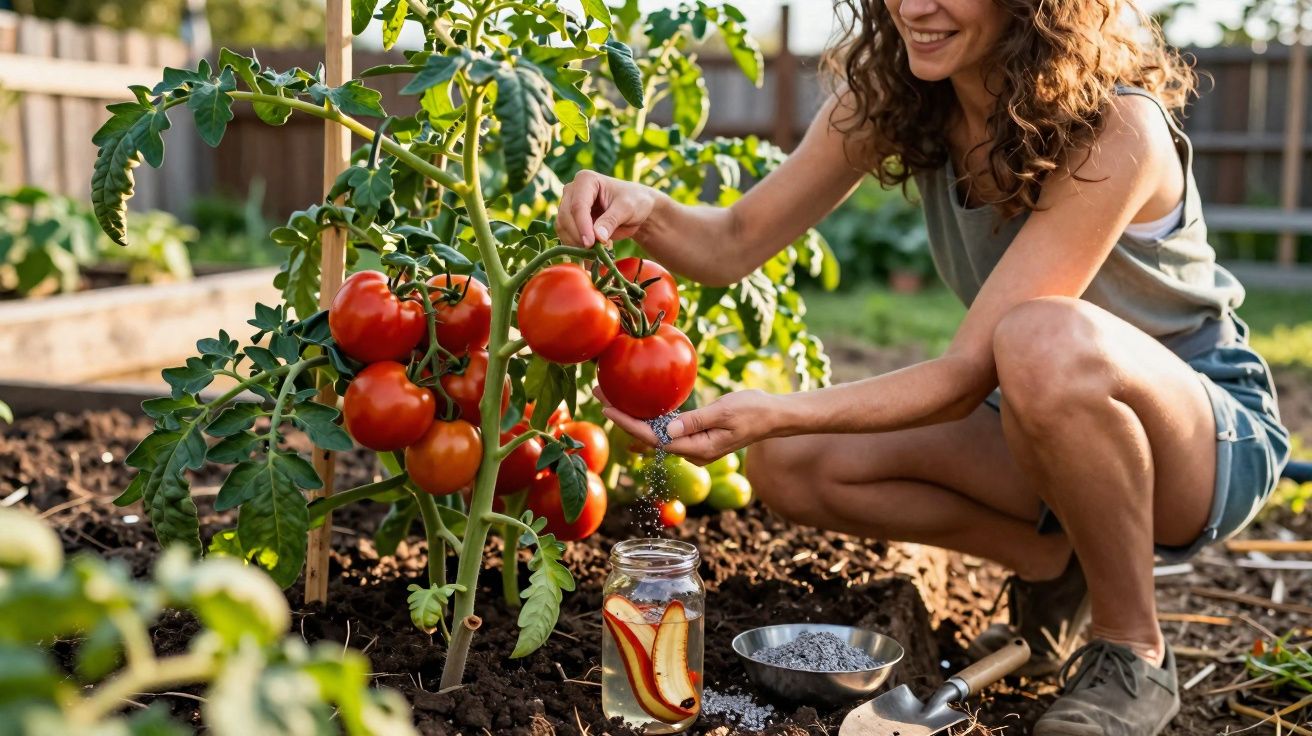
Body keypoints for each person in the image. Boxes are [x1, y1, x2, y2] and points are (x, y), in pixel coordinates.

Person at [555, 1, 1291, 733]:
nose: (913, 7)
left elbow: (969, 372)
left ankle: (1133, 649)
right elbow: (734, 238)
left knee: (1038, 338)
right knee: (786, 463)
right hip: (1042, 414)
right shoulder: (899, 99)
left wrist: (774, 405)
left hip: (1202, 439)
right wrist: (642, 209)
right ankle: (1054, 562)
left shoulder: (1118, 129)